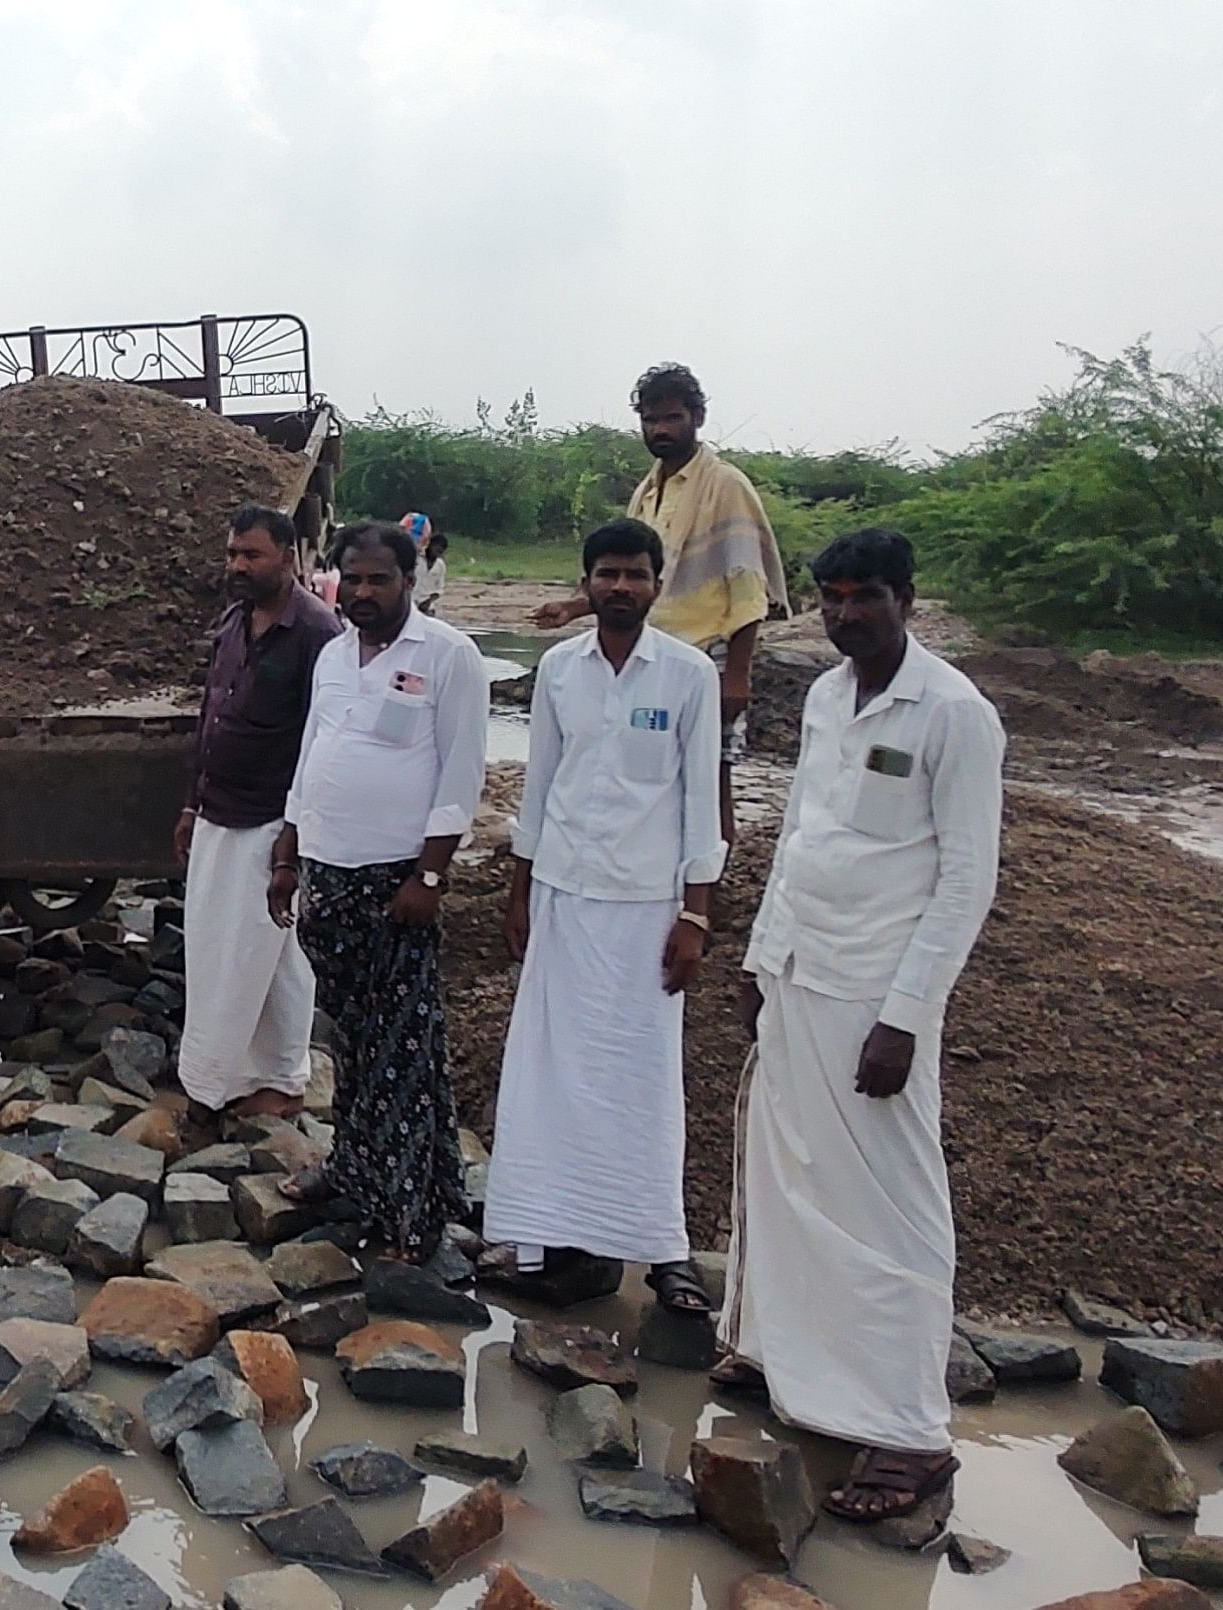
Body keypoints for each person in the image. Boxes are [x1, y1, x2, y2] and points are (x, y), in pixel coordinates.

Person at [716, 527, 1003, 1523]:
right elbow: (802, 835)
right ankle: (793, 1365)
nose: (843, 614)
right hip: (800, 971)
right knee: (789, 1171)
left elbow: (967, 877)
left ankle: (909, 1430)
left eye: (863, 596)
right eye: (830, 597)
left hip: (875, 996)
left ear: (906, 599)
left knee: (891, 1201)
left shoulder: (954, 714)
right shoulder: (827, 697)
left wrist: (908, 1014)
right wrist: (759, 954)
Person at [481, 518, 724, 1310]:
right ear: (586, 584)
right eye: (607, 575)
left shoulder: (689, 676)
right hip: (561, 899)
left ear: (659, 585)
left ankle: (663, 1255)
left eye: (636, 575)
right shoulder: (557, 670)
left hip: (645, 912)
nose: (621, 588)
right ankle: (555, 1242)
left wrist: (696, 917)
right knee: (550, 1079)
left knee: (641, 1080)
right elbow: (539, 786)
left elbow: (699, 806)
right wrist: (518, 892)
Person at [267, 520, 489, 1263]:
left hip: (395, 884)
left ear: (411, 578)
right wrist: (289, 855)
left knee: (407, 1048)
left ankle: (412, 1212)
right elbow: (313, 756)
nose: (363, 592)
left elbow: (461, 776)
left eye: (379, 579)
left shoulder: (449, 656)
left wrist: (429, 874)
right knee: (355, 1044)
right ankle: (353, 1170)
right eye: (352, 579)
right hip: (327, 876)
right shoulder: (332, 655)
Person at [535, 365, 783, 841]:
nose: (661, 430)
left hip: (707, 652)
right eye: (651, 420)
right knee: (649, 768)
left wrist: (737, 674)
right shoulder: (648, 491)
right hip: (650, 653)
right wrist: (573, 608)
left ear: (698, 417)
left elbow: (748, 588)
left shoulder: (724, 485)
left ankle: (709, 891)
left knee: (712, 777)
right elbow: (635, 577)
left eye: (672, 418)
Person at [174, 506, 343, 1120]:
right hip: (220, 809)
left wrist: (294, 842)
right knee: (249, 955)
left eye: (252, 555)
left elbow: (323, 741)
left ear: (288, 557)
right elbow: (210, 716)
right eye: (232, 555)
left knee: (253, 955)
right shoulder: (233, 622)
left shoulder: (318, 635)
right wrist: (192, 802)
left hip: (273, 820)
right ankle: (264, 1076)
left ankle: (237, 1083)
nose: (238, 566)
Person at [405, 513, 446, 615]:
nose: (438, 551)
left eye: (441, 550)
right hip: (409, 605)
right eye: (436, 547)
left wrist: (428, 602)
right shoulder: (415, 560)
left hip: (427, 607)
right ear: (429, 544)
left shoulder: (440, 565)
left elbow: (439, 589)